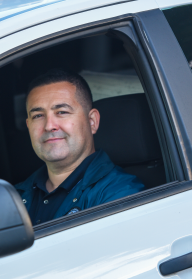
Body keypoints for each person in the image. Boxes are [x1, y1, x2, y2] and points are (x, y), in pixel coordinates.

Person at [15, 69, 145, 226]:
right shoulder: (13, 197)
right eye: (38, 116)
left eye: (62, 112)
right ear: (29, 126)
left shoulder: (120, 194)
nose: (49, 126)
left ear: (92, 121)